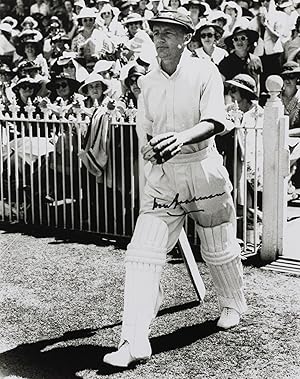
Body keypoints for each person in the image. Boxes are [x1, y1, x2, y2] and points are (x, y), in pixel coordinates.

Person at [103, 10, 247, 368]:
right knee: (142, 255)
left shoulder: (205, 71)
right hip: (164, 177)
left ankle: (232, 304)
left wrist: (180, 138)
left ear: (187, 37)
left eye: (170, 32)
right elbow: (145, 132)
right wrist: (151, 150)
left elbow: (216, 121)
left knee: (218, 249)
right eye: (157, 32)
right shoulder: (149, 81)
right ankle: (133, 340)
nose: (161, 38)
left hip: (203, 169)